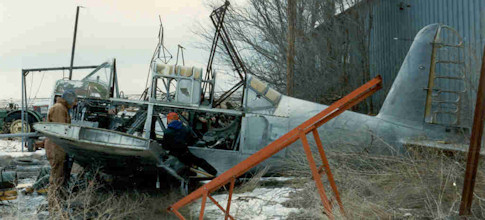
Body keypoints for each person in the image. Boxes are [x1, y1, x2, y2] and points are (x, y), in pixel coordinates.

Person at [44, 90, 77, 213]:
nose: (75, 104)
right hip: (56, 147)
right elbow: (61, 130)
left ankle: (58, 204)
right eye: (74, 101)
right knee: (56, 177)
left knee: (60, 176)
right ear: (68, 99)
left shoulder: (62, 108)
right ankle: (54, 206)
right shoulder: (59, 109)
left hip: (59, 147)